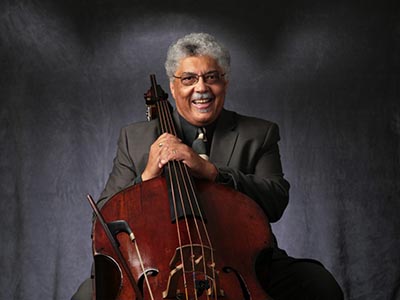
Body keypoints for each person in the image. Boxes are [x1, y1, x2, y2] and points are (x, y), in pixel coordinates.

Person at [72, 32, 344, 300]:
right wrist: (147, 176)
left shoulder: (259, 133)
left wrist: (212, 172)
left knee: (319, 285)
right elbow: (102, 221)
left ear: (224, 82)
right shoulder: (135, 138)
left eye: (211, 77)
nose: (201, 88)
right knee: (87, 296)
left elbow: (275, 200)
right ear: (173, 85)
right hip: (156, 266)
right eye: (189, 78)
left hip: (242, 261)